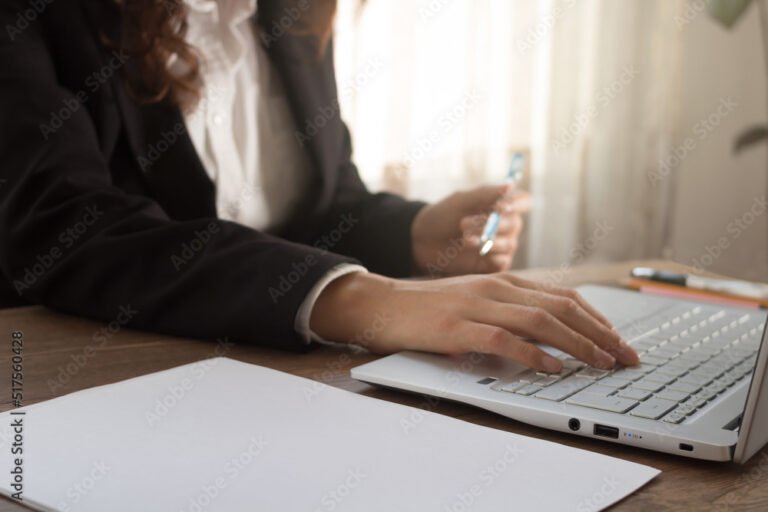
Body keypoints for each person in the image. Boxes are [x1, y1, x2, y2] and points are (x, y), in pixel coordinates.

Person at [0, 0, 638, 373]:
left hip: (267, 380)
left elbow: (325, 203)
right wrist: (365, 300)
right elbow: (65, 226)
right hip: (68, 386)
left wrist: (417, 233)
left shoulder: (289, 17)